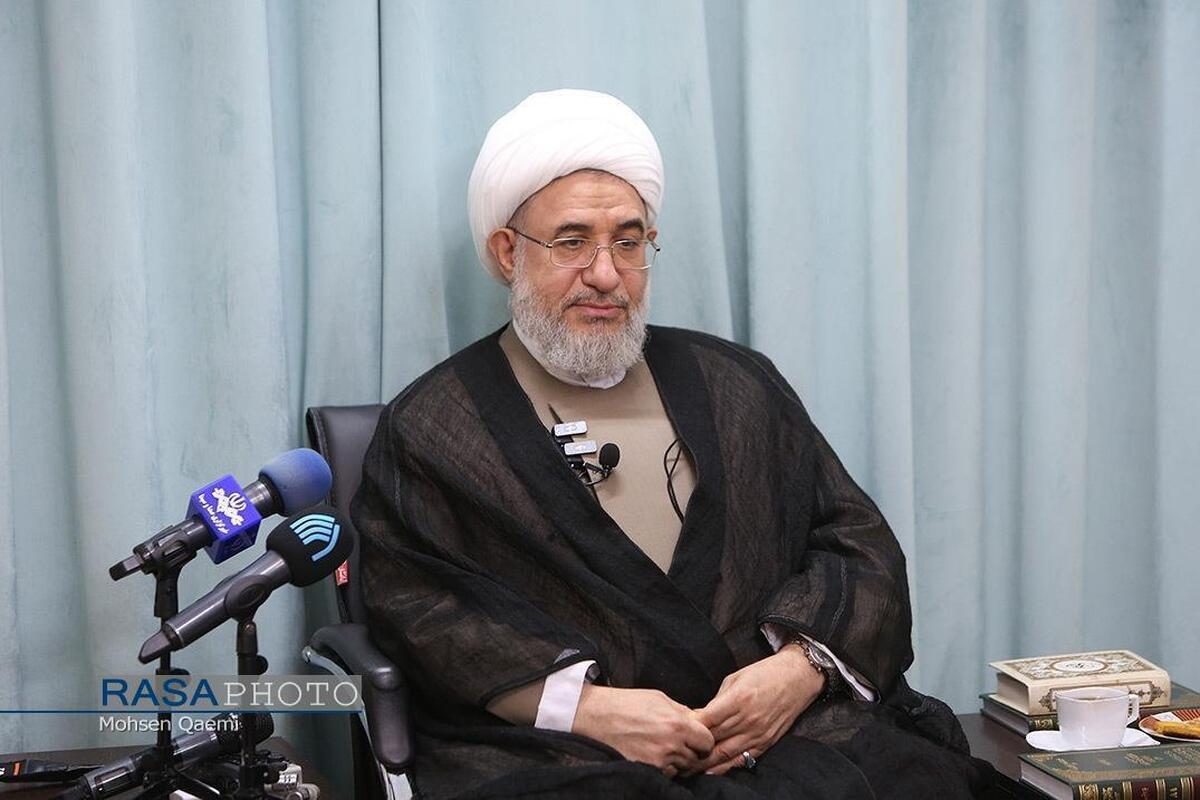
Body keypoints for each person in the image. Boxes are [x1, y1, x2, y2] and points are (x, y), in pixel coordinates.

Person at [352, 89, 992, 799]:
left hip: (779, 735)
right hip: (570, 752)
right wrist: (591, 710)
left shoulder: (736, 383)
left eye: (628, 242)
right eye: (572, 242)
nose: (605, 274)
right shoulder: (434, 426)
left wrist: (798, 670)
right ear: (509, 252)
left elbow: (858, 545)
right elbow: (419, 610)